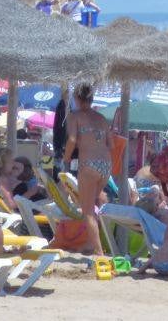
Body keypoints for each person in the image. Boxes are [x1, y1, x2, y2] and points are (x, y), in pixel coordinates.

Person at [63, 83, 113, 255]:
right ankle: (90, 243)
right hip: (106, 165)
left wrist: (66, 158)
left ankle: (99, 253)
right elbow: (111, 144)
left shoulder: (74, 116)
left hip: (89, 165)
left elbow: (71, 140)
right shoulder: (102, 118)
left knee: (88, 210)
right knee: (92, 205)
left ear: (77, 98)